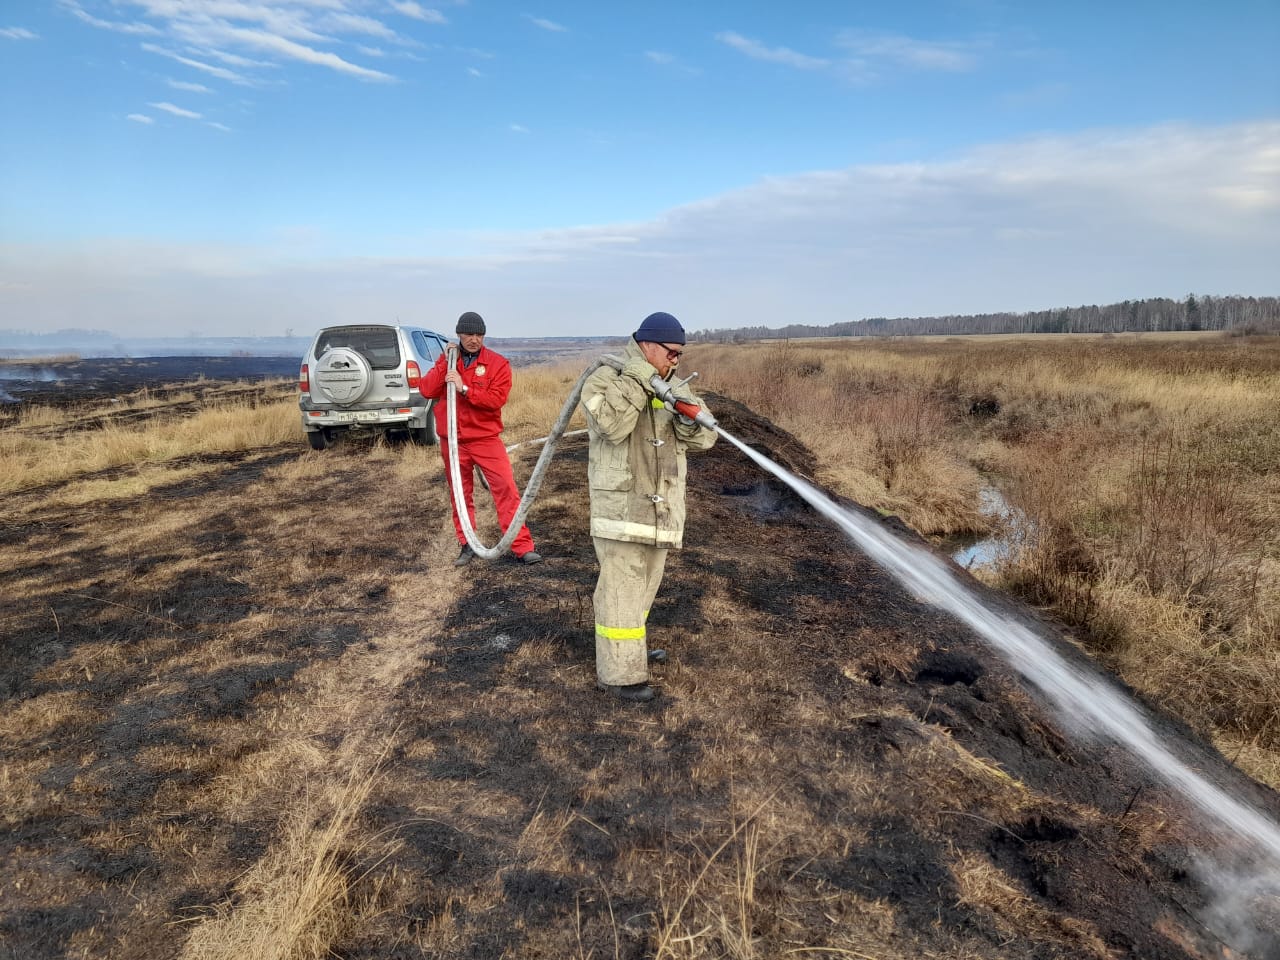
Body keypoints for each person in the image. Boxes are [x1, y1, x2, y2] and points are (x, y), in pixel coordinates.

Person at [579, 311, 717, 702]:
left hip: (660, 511)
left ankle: (629, 650)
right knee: (620, 591)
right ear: (647, 347)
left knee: (643, 589)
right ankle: (619, 674)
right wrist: (640, 379)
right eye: (671, 353)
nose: (676, 361)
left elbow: (704, 439)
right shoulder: (605, 378)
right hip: (620, 509)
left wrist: (689, 419)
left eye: (679, 356)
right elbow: (612, 425)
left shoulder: (673, 384)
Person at [421, 311, 542, 566]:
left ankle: (522, 546)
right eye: (468, 334)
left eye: (479, 334)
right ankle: (467, 545)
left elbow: (496, 400)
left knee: (506, 489)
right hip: (453, 441)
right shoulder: (448, 362)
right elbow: (427, 389)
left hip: (485, 439)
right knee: (460, 495)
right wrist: (445, 363)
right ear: (459, 335)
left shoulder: (498, 364)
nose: (474, 339)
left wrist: (464, 388)